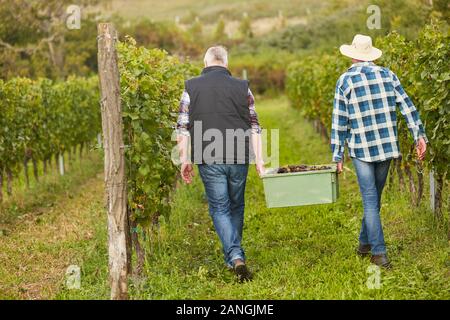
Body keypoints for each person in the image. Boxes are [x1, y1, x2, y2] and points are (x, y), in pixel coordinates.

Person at [331, 34, 427, 269]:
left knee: (371, 201)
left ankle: (379, 254)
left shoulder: (345, 81)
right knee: (373, 199)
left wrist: (337, 155)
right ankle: (365, 244)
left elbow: (339, 120)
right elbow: (408, 106)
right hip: (386, 147)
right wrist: (419, 136)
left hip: (361, 149)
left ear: (353, 55)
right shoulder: (388, 75)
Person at [176, 46, 265, 281]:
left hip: (208, 155)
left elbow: (182, 128)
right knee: (236, 205)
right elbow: (255, 126)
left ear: (205, 63)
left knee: (219, 207)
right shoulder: (242, 87)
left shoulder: (190, 87)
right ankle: (235, 256)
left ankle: (235, 257)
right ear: (226, 63)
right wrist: (260, 160)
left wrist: (184, 159)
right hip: (239, 155)